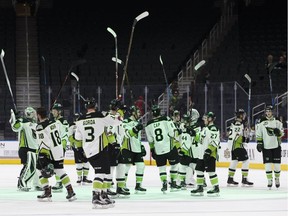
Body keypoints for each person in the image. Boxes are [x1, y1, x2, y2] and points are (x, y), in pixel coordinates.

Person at [74, 97, 124, 208]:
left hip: (88, 150)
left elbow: (77, 137)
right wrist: (117, 110)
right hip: (99, 149)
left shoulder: (79, 120)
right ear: (95, 106)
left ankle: (104, 194)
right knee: (100, 173)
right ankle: (96, 197)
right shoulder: (100, 115)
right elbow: (118, 121)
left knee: (106, 172)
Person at [35, 107, 76, 202]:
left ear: (38, 115)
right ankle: (70, 191)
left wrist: (43, 156)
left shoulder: (40, 127)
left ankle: (47, 191)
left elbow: (44, 142)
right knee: (60, 171)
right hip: (59, 150)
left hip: (50, 152)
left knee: (39, 169)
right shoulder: (54, 122)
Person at [145, 105, 180, 193]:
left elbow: (150, 140)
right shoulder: (166, 119)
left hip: (158, 149)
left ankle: (164, 183)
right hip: (169, 147)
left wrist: (152, 150)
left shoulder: (148, 124)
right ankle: (173, 183)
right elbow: (172, 133)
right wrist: (178, 132)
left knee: (162, 168)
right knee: (174, 165)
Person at [9, 107, 41, 191]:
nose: (35, 114)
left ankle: (37, 184)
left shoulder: (35, 123)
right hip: (26, 149)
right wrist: (15, 118)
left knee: (35, 167)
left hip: (34, 149)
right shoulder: (22, 121)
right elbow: (15, 128)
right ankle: (21, 184)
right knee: (28, 167)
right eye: (33, 113)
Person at [118, 105, 147, 194]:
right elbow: (127, 135)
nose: (139, 114)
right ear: (133, 112)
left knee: (141, 166)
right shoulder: (125, 122)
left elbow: (137, 137)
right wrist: (135, 129)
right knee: (126, 168)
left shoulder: (137, 122)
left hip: (137, 148)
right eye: (138, 112)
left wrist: (141, 146)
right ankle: (123, 185)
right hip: (127, 148)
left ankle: (138, 185)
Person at [190, 112, 220, 196]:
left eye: (206, 118)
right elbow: (200, 139)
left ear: (210, 119)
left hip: (209, 154)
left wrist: (209, 150)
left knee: (211, 172)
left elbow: (215, 141)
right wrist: (194, 134)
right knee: (199, 170)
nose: (204, 120)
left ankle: (216, 187)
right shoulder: (205, 129)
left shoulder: (213, 128)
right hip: (201, 154)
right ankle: (200, 187)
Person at [256, 105, 284, 189]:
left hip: (276, 146)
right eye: (267, 111)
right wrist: (259, 143)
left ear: (273, 112)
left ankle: (277, 178)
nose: (268, 113)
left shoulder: (278, 122)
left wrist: (278, 133)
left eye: (270, 111)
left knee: (277, 166)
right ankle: (269, 180)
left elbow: (282, 134)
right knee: (267, 165)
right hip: (266, 147)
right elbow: (259, 134)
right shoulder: (261, 123)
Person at [226, 109, 253, 187]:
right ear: (240, 115)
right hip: (237, 146)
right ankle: (244, 179)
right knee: (246, 160)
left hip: (232, 146)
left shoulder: (233, 123)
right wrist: (245, 139)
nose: (244, 116)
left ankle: (230, 178)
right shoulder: (238, 123)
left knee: (234, 161)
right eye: (242, 114)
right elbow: (237, 136)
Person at [68, 113, 92, 185]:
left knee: (86, 161)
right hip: (77, 146)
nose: (77, 119)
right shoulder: (72, 126)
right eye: (76, 117)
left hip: (85, 146)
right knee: (78, 162)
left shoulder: (83, 124)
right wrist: (74, 143)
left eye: (78, 117)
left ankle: (85, 178)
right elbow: (70, 136)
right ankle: (79, 178)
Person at [50, 103, 69, 192]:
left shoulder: (62, 121)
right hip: (56, 146)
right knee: (56, 165)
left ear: (59, 112)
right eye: (52, 111)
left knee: (58, 166)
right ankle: (59, 182)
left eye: (54, 111)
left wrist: (62, 147)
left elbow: (64, 135)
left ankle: (59, 183)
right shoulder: (56, 121)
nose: (53, 112)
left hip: (60, 146)